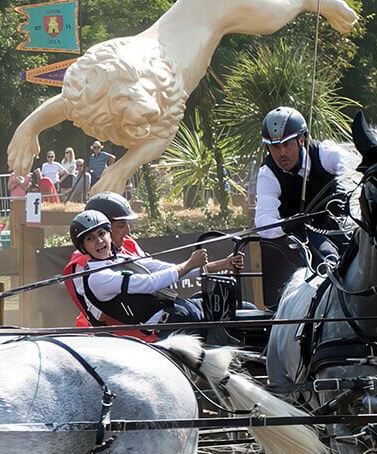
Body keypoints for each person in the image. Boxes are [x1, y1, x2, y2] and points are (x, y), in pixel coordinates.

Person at [63, 209, 237, 334]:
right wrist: (189, 264)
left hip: (183, 312)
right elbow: (150, 283)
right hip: (172, 327)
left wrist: (224, 264)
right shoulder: (97, 278)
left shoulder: (123, 259)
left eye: (102, 233)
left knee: (242, 310)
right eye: (90, 238)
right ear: (83, 247)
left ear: (109, 234)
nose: (99, 241)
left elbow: (168, 269)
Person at [253, 106, 358, 310]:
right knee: (329, 259)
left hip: (343, 227)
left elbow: (350, 163)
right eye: (274, 147)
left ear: (301, 140)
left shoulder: (324, 153)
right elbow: (263, 224)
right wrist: (289, 224)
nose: (281, 153)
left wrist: (343, 190)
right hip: (304, 239)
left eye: (286, 145)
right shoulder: (268, 174)